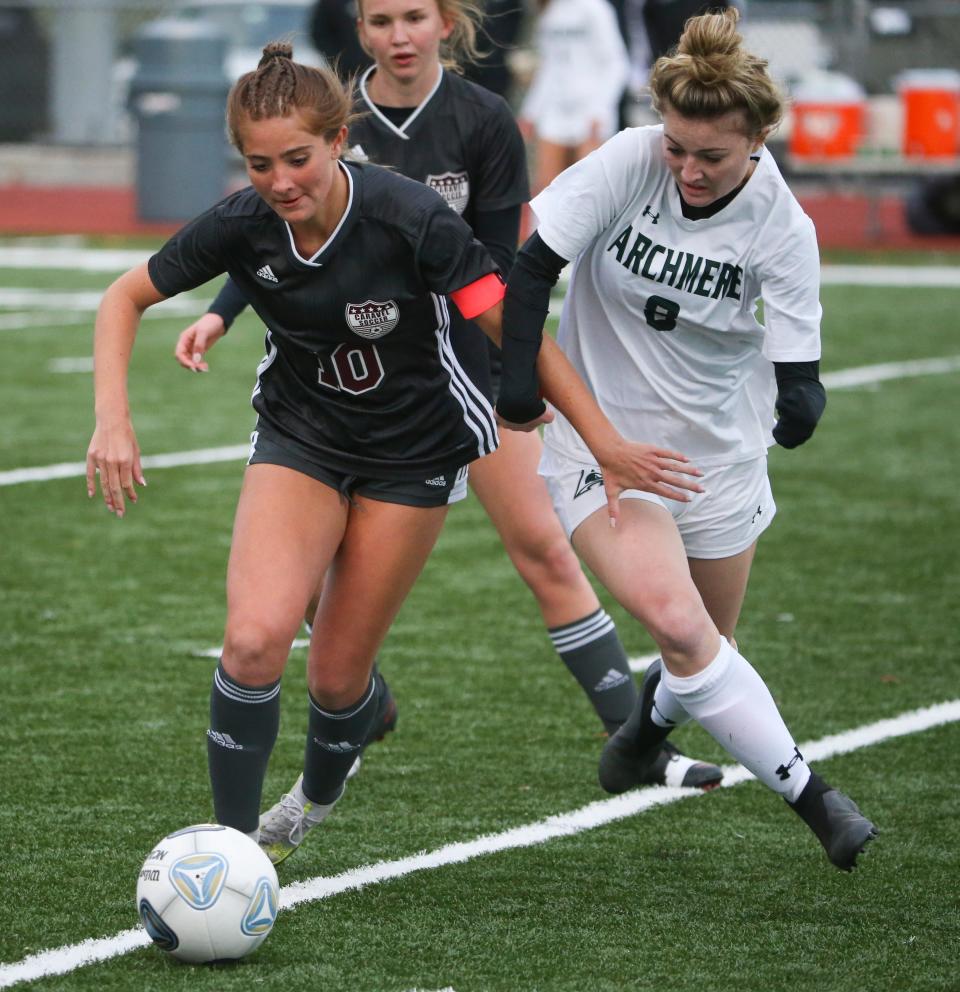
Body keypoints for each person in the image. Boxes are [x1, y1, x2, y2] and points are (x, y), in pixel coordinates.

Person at [87, 41, 705, 869]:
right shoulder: (243, 223)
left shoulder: (409, 215)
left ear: (340, 141)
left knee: (338, 683)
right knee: (253, 642)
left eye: (298, 159)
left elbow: (514, 328)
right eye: (260, 163)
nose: (280, 182)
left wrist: (604, 442)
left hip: (413, 454)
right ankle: (231, 851)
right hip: (301, 437)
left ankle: (314, 794)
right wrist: (112, 420)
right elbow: (123, 297)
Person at [495, 8, 878, 870]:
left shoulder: (783, 225)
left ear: (759, 139)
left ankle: (636, 742)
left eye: (712, 156)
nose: (689, 170)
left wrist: (799, 404)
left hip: (716, 459)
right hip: (601, 447)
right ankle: (819, 802)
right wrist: (520, 381)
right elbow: (530, 264)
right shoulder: (632, 158)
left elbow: (801, 365)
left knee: (706, 648)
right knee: (679, 624)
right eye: (678, 148)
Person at [518, 0, 630, 199]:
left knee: (589, 193)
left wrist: (600, 110)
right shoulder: (549, 11)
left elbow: (616, 63)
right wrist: (530, 113)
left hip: (589, 113)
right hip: (555, 111)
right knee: (546, 192)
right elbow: (548, 67)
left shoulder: (596, 8)